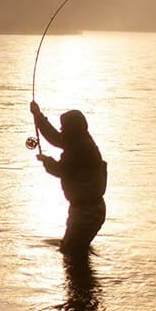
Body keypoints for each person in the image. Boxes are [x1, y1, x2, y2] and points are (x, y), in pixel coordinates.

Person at [31, 100, 108, 254]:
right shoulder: (79, 139)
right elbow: (55, 138)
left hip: (86, 213)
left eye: (64, 127)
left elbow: (60, 170)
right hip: (88, 210)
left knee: (70, 252)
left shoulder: (80, 148)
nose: (61, 130)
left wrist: (46, 161)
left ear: (72, 128)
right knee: (74, 254)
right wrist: (38, 116)